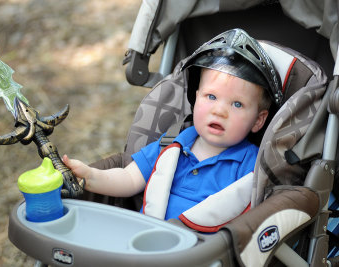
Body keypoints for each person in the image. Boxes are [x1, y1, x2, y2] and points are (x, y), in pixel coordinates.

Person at [62, 29, 283, 232]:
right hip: (143, 241)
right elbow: (129, 179)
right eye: (211, 97)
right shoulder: (172, 144)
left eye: (237, 104)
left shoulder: (250, 165)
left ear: (258, 120)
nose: (220, 111)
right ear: (196, 99)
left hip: (202, 252)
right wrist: (91, 177)